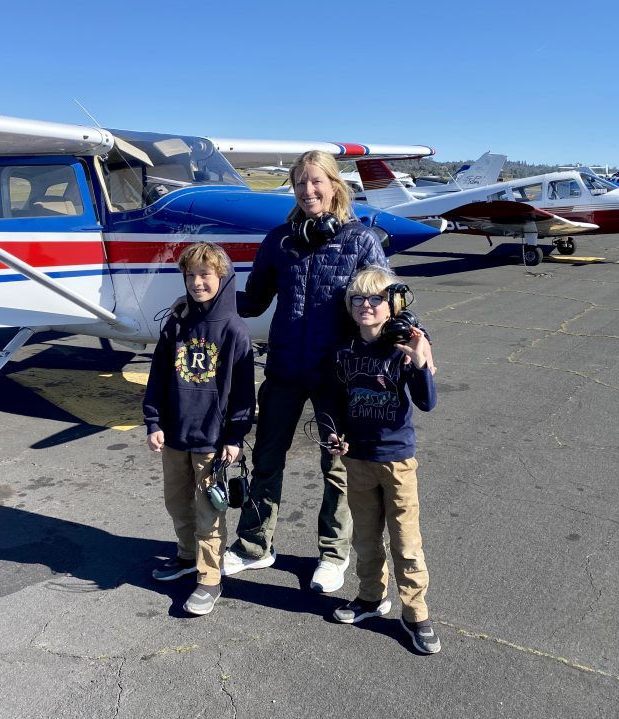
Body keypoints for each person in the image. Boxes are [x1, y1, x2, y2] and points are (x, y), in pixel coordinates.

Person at [223, 150, 398, 594]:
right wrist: (206, 299)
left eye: (316, 181)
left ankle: (333, 554)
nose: (308, 190)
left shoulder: (360, 241)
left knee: (336, 466)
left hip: (337, 375)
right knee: (266, 458)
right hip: (284, 368)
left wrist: (414, 337)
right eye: (300, 182)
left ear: (335, 186)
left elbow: (386, 301)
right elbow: (255, 300)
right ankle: (254, 545)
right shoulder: (280, 240)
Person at [322, 265, 440, 654]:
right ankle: (372, 597)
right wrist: (335, 433)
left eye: (376, 299)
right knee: (366, 537)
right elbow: (337, 401)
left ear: (393, 306)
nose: (366, 305)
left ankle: (416, 613)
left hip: (397, 461)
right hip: (357, 460)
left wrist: (420, 363)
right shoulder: (344, 351)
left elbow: (426, 402)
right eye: (358, 299)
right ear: (350, 306)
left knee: (406, 541)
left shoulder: (402, 349)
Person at [143, 242, 256, 616]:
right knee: (177, 502)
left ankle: (210, 579)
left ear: (221, 277)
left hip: (211, 440)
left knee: (209, 511)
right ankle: (187, 556)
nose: (196, 282)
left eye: (204, 275)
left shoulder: (235, 330)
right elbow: (158, 376)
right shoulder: (175, 323)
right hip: (174, 434)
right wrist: (154, 421)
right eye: (189, 275)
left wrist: (235, 436)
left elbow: (243, 392)